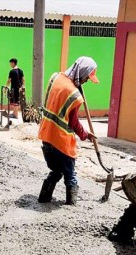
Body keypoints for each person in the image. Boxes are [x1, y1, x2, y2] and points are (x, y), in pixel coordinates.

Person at [37, 56, 99, 206]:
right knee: (70, 175)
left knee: (57, 171)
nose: (86, 81)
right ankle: (71, 205)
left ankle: (43, 198)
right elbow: (74, 122)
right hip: (61, 141)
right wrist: (85, 135)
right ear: (81, 73)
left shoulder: (55, 77)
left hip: (46, 136)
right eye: (86, 78)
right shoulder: (75, 95)